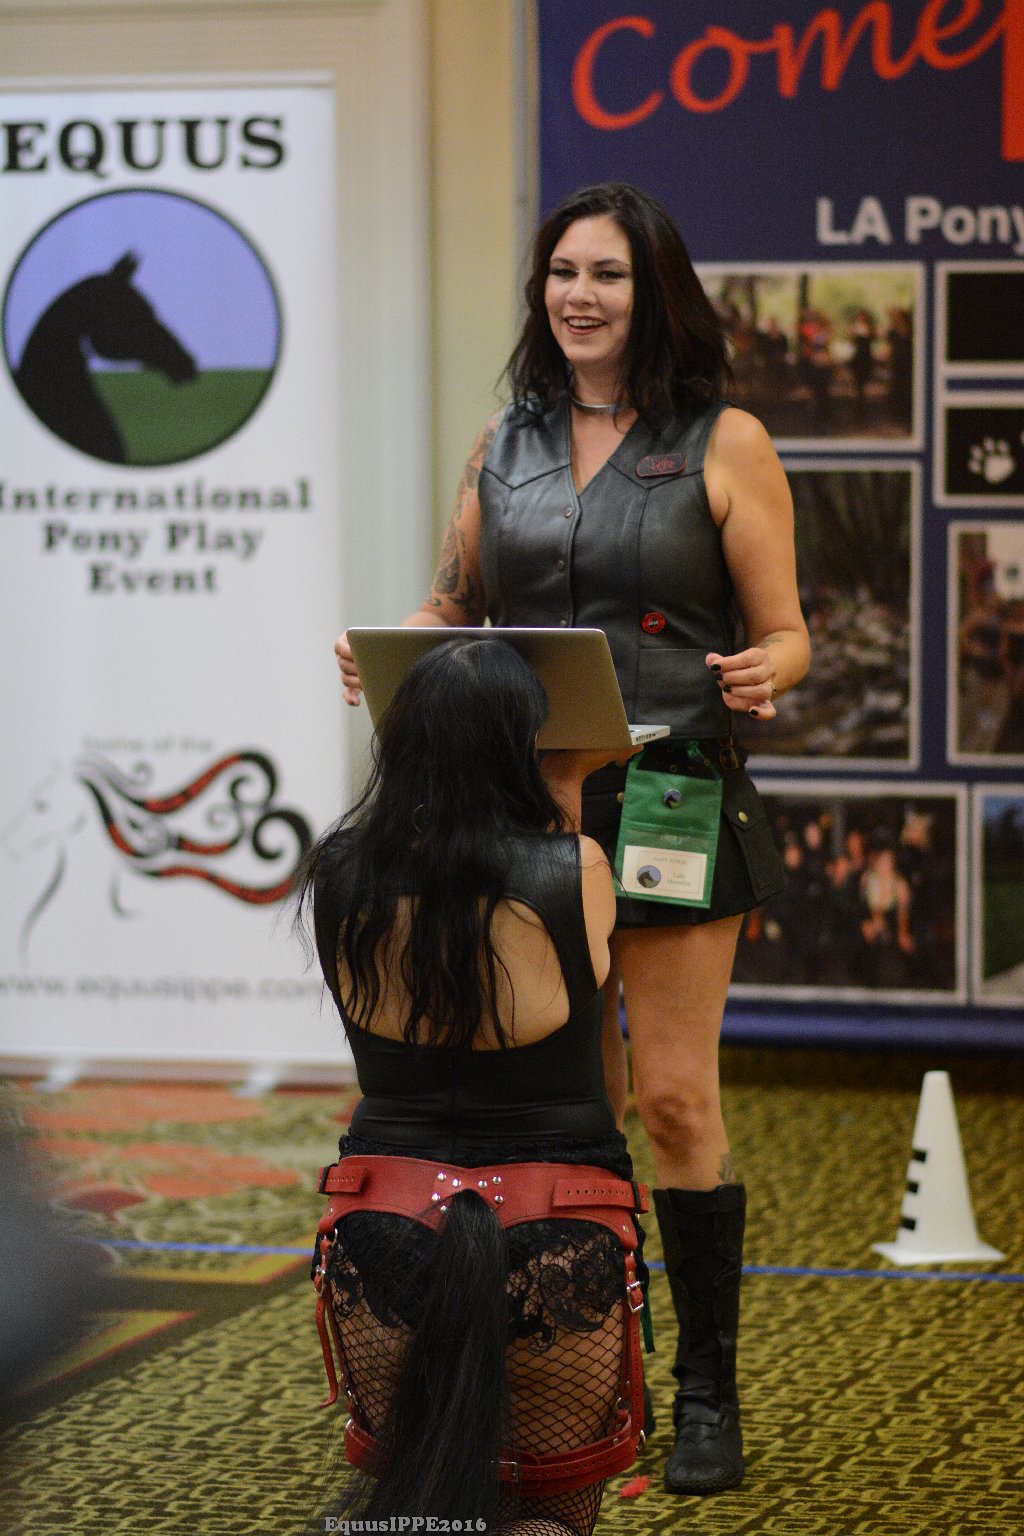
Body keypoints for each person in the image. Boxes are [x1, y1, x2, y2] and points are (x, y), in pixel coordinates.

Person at [335, 182, 810, 1496]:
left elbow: (787, 631)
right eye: (562, 272)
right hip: (520, 809)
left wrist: (765, 670)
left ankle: (704, 1392)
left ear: (654, 294)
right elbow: (454, 602)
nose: (578, 296)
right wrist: (389, 646)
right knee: (561, 1109)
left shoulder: (727, 441)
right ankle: (584, 1375)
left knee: (672, 1100)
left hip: (672, 799)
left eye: (607, 274)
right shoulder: (506, 440)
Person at [299, 636, 649, 1534]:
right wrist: (565, 779)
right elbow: (574, 946)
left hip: (383, 1234)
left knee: (421, 1514)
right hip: (554, 1239)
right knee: (550, 1517)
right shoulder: (578, 868)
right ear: (518, 749)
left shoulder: (337, 873)